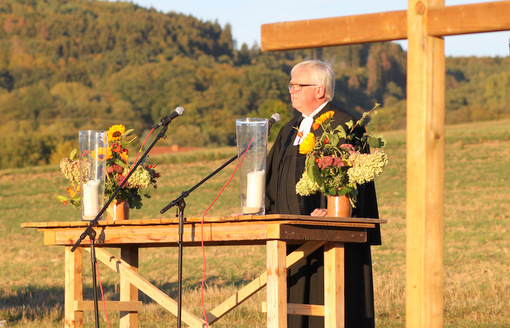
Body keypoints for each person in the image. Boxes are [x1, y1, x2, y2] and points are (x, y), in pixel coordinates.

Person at [265, 59, 381, 328]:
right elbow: (272, 178)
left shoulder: (343, 124)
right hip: (290, 235)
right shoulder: (288, 130)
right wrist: (261, 210)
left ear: (319, 90)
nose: (291, 89)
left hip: (330, 235)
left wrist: (336, 209)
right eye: (291, 84)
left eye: (297, 84)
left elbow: (355, 177)